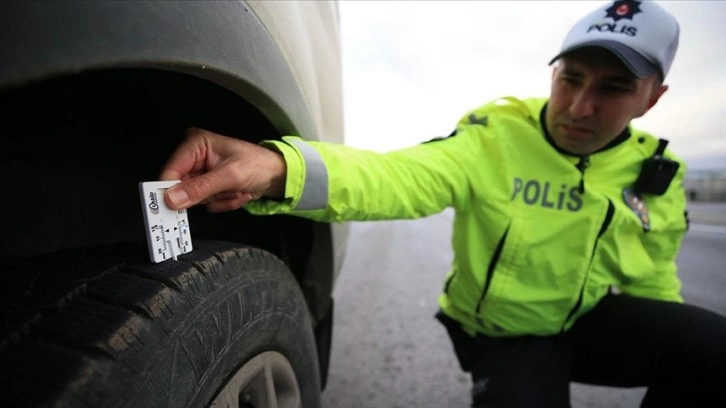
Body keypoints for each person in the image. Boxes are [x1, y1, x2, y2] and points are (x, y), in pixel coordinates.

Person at [160, 1, 726, 407]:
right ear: (552, 72)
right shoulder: (495, 136)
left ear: (653, 97)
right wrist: (281, 168)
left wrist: (671, 342)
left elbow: (653, 283)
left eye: (612, 89)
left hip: (586, 322)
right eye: (569, 78)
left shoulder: (657, 172)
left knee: (708, 347)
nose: (578, 106)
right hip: (508, 336)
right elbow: (400, 175)